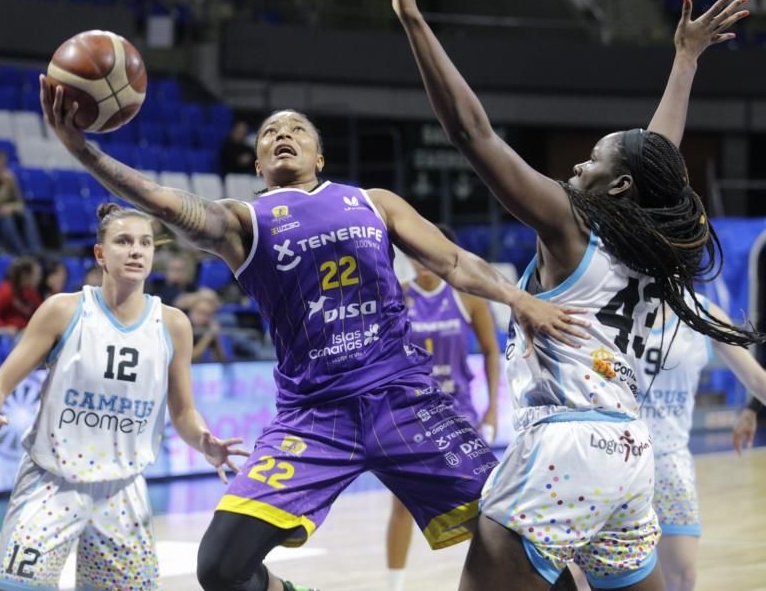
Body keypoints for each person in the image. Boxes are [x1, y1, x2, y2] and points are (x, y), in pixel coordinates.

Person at [41, 65, 585, 591]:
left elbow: (452, 261)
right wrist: (83, 150)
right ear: (256, 162)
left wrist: (518, 299)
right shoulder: (242, 221)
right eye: (270, 131)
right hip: (313, 416)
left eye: (296, 129)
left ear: (319, 155)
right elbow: (161, 202)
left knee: (519, 539)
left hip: (403, 399)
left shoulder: (374, 203)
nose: (283, 134)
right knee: (219, 568)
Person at [393, 0, 762, 587]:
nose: (577, 163)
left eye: (593, 158)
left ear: (617, 186)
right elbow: (657, 159)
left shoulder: (572, 224)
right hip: (629, 453)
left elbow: (471, 133)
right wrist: (684, 62)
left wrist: (415, 22)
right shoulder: (650, 240)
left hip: (564, 442)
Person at [0, 203, 249, 589]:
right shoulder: (64, 311)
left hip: (122, 490)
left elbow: (183, 412)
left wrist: (203, 440)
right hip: (51, 483)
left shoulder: (173, 324)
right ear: (100, 253)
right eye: (124, 242)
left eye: (145, 243)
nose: (136, 251)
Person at [385, 241, 501, 591]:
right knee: (402, 506)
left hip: (458, 412)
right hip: (412, 411)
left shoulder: (467, 297)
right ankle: (394, 586)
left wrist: (493, 406)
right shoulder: (398, 296)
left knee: (481, 508)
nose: (420, 260)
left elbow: (492, 351)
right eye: (414, 254)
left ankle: (489, 581)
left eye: (425, 252)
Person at [633, 296, 766, 591]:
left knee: (683, 576)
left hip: (670, 462)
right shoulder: (612, 299)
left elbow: (757, 380)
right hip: (618, 459)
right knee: (590, 576)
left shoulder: (703, 311)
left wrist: (751, 410)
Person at [0, 257, 43, 332]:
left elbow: (42, 313)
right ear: (25, 275)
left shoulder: (31, 293)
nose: (39, 278)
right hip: (9, 338)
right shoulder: (7, 291)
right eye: (36, 274)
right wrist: (4, 328)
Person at [187, 288, 228, 362]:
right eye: (200, 312)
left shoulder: (208, 326)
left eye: (208, 315)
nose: (203, 318)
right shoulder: (183, 326)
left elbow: (221, 359)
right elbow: (190, 358)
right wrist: (208, 336)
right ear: (191, 309)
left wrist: (216, 338)